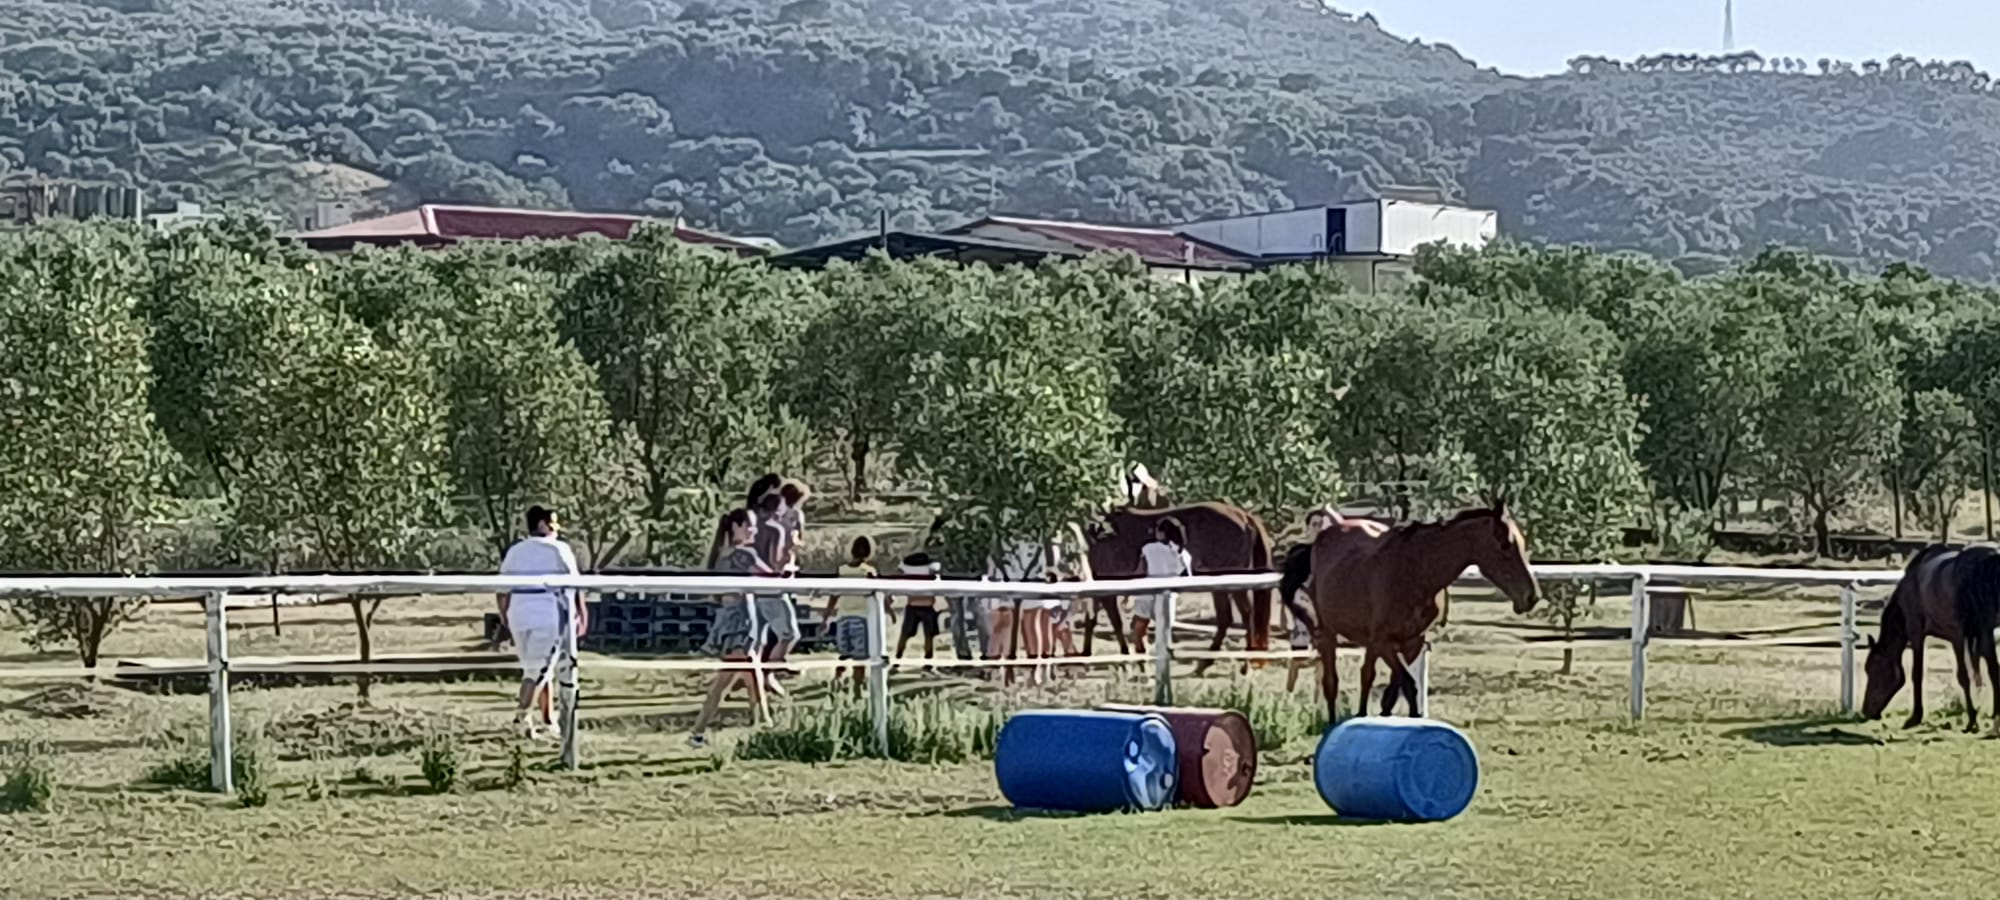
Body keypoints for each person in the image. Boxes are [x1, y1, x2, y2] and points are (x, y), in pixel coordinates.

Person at [495, 505, 585, 740]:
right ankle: (521, 716)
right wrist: (581, 613)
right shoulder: (559, 549)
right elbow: (575, 585)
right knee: (537, 670)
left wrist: (504, 614)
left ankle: (548, 719)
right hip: (546, 613)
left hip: (519, 613)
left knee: (537, 668)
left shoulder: (515, 551)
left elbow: (502, 589)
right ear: (542, 525)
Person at [689, 508, 772, 748]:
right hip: (739, 618)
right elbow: (769, 576)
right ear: (736, 527)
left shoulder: (721, 556)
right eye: (750, 526)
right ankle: (763, 724)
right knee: (742, 674)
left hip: (729, 616)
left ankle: (699, 731)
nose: (754, 531)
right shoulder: (744, 555)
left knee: (743, 674)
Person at [750, 490, 799, 692]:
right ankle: (769, 672)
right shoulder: (775, 529)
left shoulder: (753, 528)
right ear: (778, 509)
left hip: (752, 589)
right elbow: (774, 563)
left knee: (757, 639)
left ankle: (756, 678)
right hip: (771, 589)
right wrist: (791, 549)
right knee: (789, 634)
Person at [823, 535, 882, 692]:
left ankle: (837, 680)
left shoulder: (842, 570)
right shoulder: (869, 571)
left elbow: (834, 595)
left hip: (843, 617)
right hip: (862, 617)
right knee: (860, 657)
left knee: (843, 654)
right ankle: (857, 687)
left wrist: (826, 616)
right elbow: (878, 593)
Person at [1132, 517, 1190, 657]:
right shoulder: (1182, 553)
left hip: (1146, 592)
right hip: (1168, 595)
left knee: (1139, 627)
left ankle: (1140, 657)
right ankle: (1165, 658)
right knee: (1164, 630)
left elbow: (1140, 570)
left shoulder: (1148, 548)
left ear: (1162, 532)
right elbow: (1186, 577)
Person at [894, 552, 943, 678]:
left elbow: (898, 573)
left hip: (912, 605)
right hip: (927, 606)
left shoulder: (907, 569)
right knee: (928, 637)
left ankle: (897, 660)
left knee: (904, 635)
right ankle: (927, 663)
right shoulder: (930, 568)